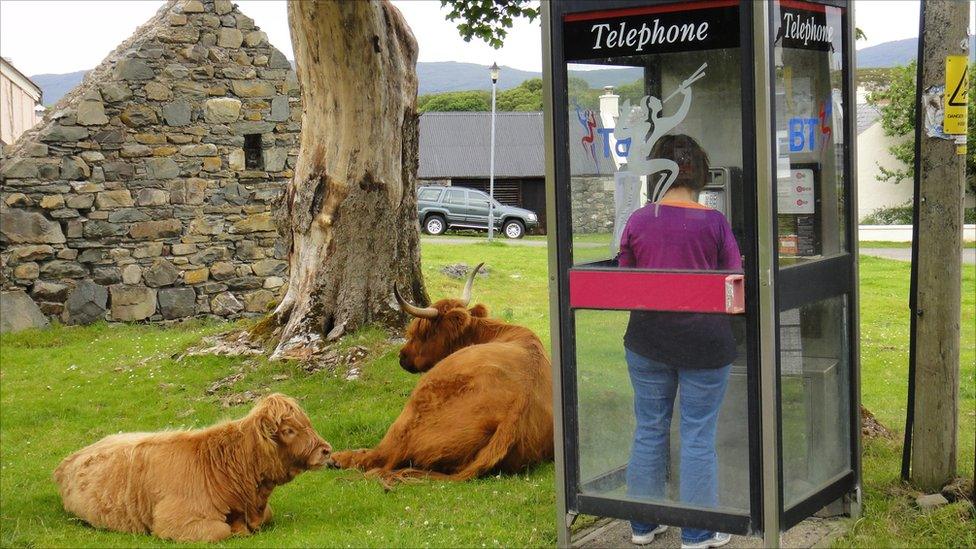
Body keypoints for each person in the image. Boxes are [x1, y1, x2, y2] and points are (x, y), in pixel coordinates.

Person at [616, 134, 741, 549]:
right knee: (697, 435)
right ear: (702, 175)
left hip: (647, 341)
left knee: (649, 429)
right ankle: (698, 532)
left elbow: (625, 277)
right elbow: (734, 285)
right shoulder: (716, 223)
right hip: (705, 343)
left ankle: (642, 525)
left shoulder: (637, 220)